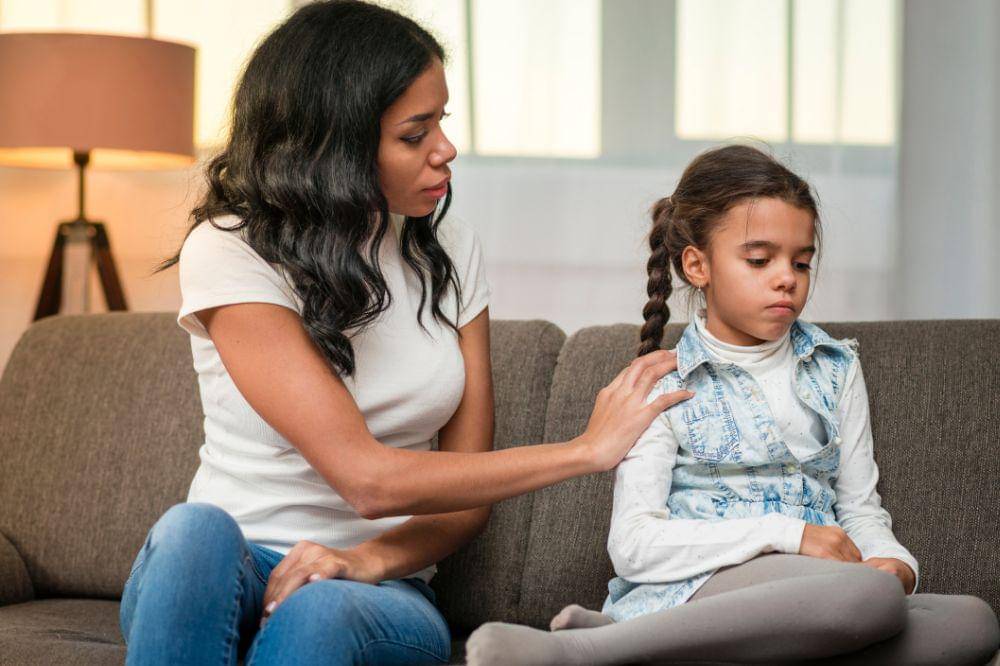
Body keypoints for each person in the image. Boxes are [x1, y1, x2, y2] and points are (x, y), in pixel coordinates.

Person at [116, 2, 692, 665]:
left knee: (323, 609)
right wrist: (585, 450)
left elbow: (462, 499)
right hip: (225, 575)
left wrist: (364, 559)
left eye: (440, 122)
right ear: (334, 144)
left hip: (380, 589)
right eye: (415, 134)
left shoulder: (450, 249)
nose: (444, 149)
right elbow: (367, 480)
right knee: (192, 533)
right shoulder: (231, 248)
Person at [465, 145, 1000, 665]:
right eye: (760, 259)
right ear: (698, 265)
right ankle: (581, 652)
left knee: (971, 622)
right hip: (708, 588)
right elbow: (633, 545)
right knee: (865, 600)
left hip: (826, 594)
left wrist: (898, 567)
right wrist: (789, 536)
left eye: (802, 261)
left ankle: (663, 647)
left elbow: (859, 507)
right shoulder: (661, 382)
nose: (786, 277)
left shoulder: (837, 368)